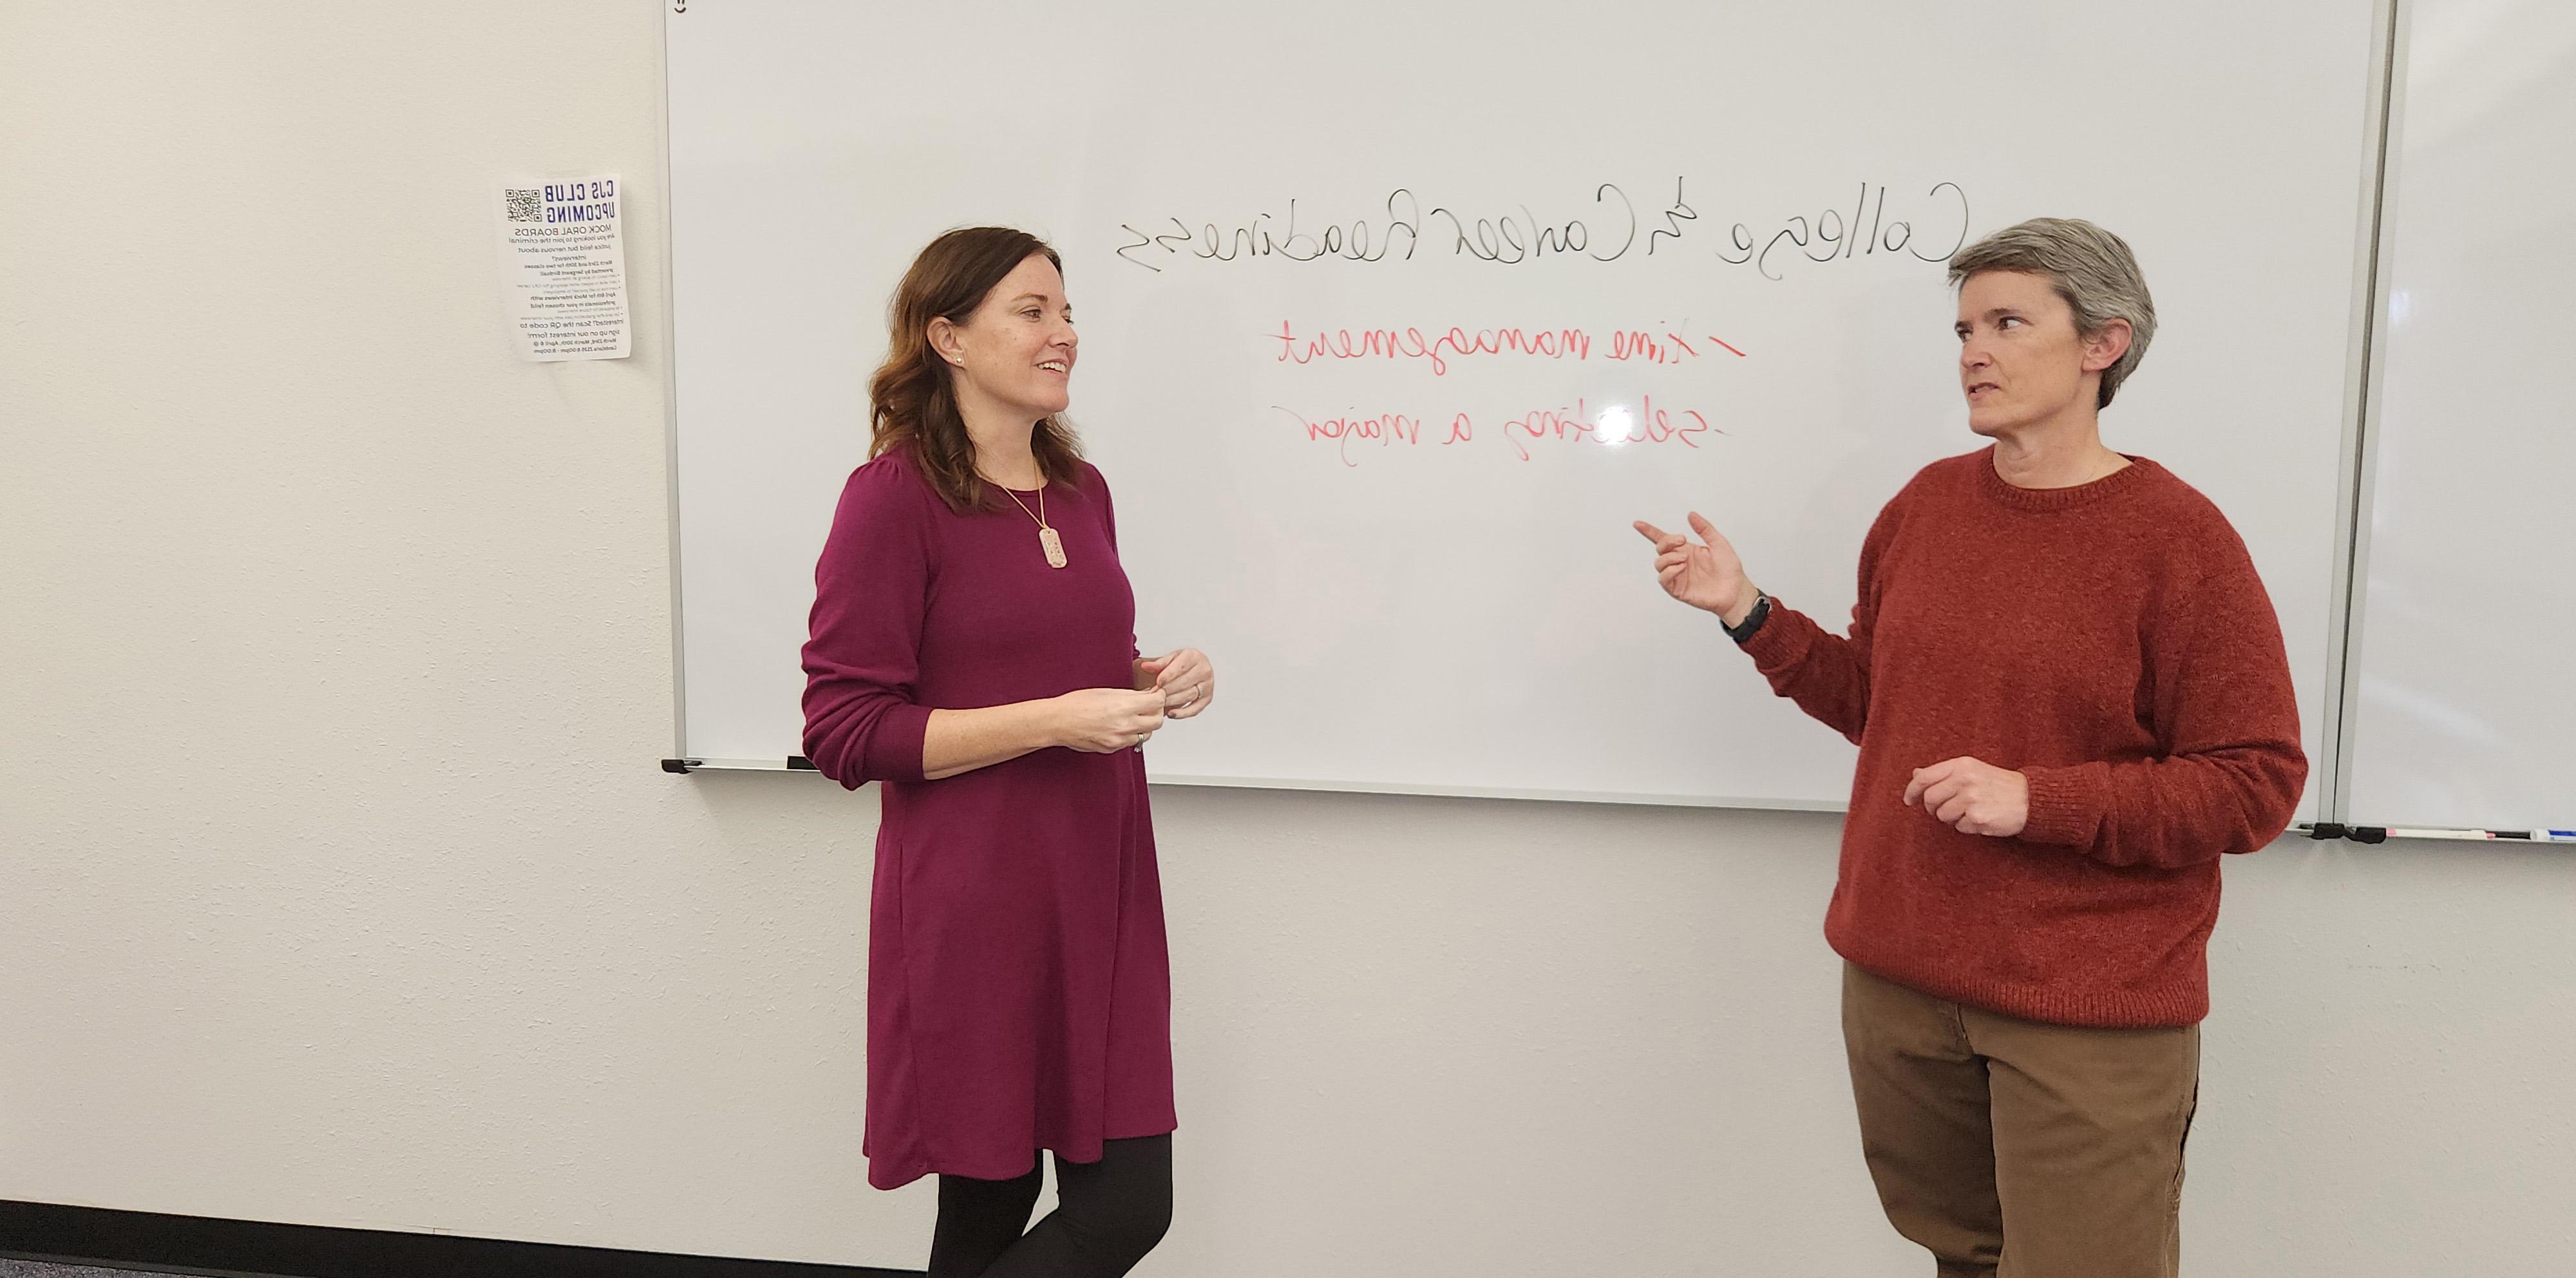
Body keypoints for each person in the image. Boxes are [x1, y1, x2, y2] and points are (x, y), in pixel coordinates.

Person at [1636, 218, 2306, 1277]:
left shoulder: (2181, 540)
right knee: (1962, 1260)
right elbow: (1879, 702)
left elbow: (2254, 785)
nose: (1973, 354)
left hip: (2083, 1006)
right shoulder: (1925, 507)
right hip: (1901, 982)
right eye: (1962, 330)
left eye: (2006, 323)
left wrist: (2041, 800)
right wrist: (1749, 610)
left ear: (2104, 345)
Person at [802, 226, 1214, 1278]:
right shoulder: (893, 500)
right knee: (1001, 1201)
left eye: (1066, 312)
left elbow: (1056, 656)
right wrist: (1052, 719)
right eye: (1032, 312)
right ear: (947, 336)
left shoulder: (1083, 491)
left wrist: (1147, 678)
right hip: (976, 903)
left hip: (1102, 889)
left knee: (1115, 1205)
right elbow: (845, 731)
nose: (1063, 334)